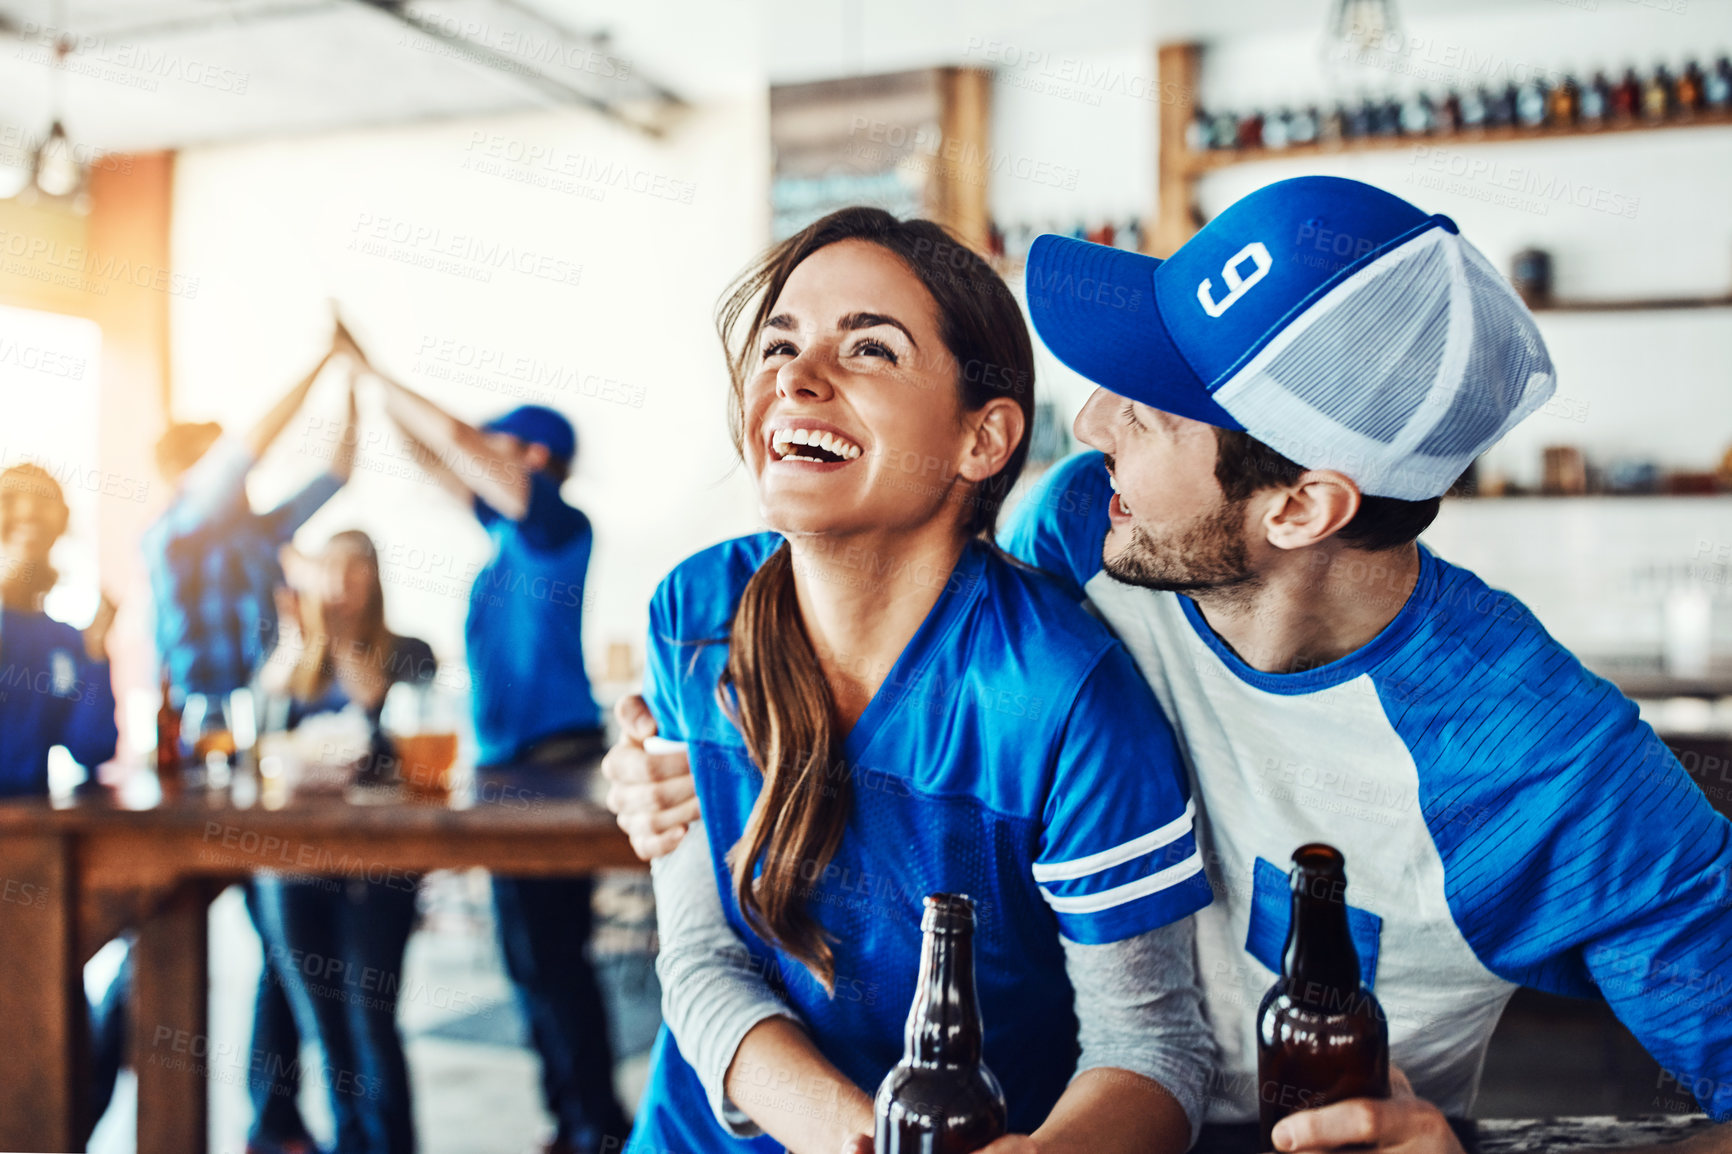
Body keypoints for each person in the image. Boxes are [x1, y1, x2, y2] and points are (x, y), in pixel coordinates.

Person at [603, 178, 1732, 1154]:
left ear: (1301, 504)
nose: (1090, 424)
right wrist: (677, 765)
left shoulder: (1547, 766)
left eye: (1147, 413)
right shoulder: (1089, 530)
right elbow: (897, 641)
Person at [616, 206, 1215, 1154]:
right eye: (778, 345)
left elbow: (1153, 1049)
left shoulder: (1060, 696)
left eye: (870, 351)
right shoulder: (694, 613)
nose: (795, 379)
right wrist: (862, 1140)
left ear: (983, 440)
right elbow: (701, 959)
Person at [341, 324, 630, 1154]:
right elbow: (440, 459)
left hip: (558, 763)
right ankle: (570, 1121)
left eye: (501, 443)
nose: (483, 453)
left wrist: (382, 367)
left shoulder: (553, 523)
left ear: (535, 456)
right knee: (527, 960)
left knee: (554, 956)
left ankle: (596, 1128)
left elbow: (460, 445)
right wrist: (370, 387)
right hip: (507, 770)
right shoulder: (507, 535)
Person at [143, 335, 358, 1154]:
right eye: (217, 471)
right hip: (194, 758)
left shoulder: (255, 532)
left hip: (258, 758)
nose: (239, 480)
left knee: (278, 937)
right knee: (159, 936)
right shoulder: (180, 531)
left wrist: (352, 380)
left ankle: (272, 1120)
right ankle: (75, 1092)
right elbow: (245, 452)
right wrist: (315, 361)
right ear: (187, 478)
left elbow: (336, 472)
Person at [254, 529, 436, 1154]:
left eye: (358, 570)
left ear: (377, 579)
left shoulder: (410, 652)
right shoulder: (296, 653)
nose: (343, 583)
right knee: (323, 1025)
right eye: (332, 569)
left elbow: (402, 738)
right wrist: (298, 644)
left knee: (369, 1017)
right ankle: (346, 1142)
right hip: (294, 862)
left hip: (381, 866)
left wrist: (341, 645)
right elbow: (264, 732)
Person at [0, 463, 124, 1138]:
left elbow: (92, 745)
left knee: (70, 1043)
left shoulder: (58, 641)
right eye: (12, 501)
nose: (29, 514)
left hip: (33, 863)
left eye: (45, 504)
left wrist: (97, 650)